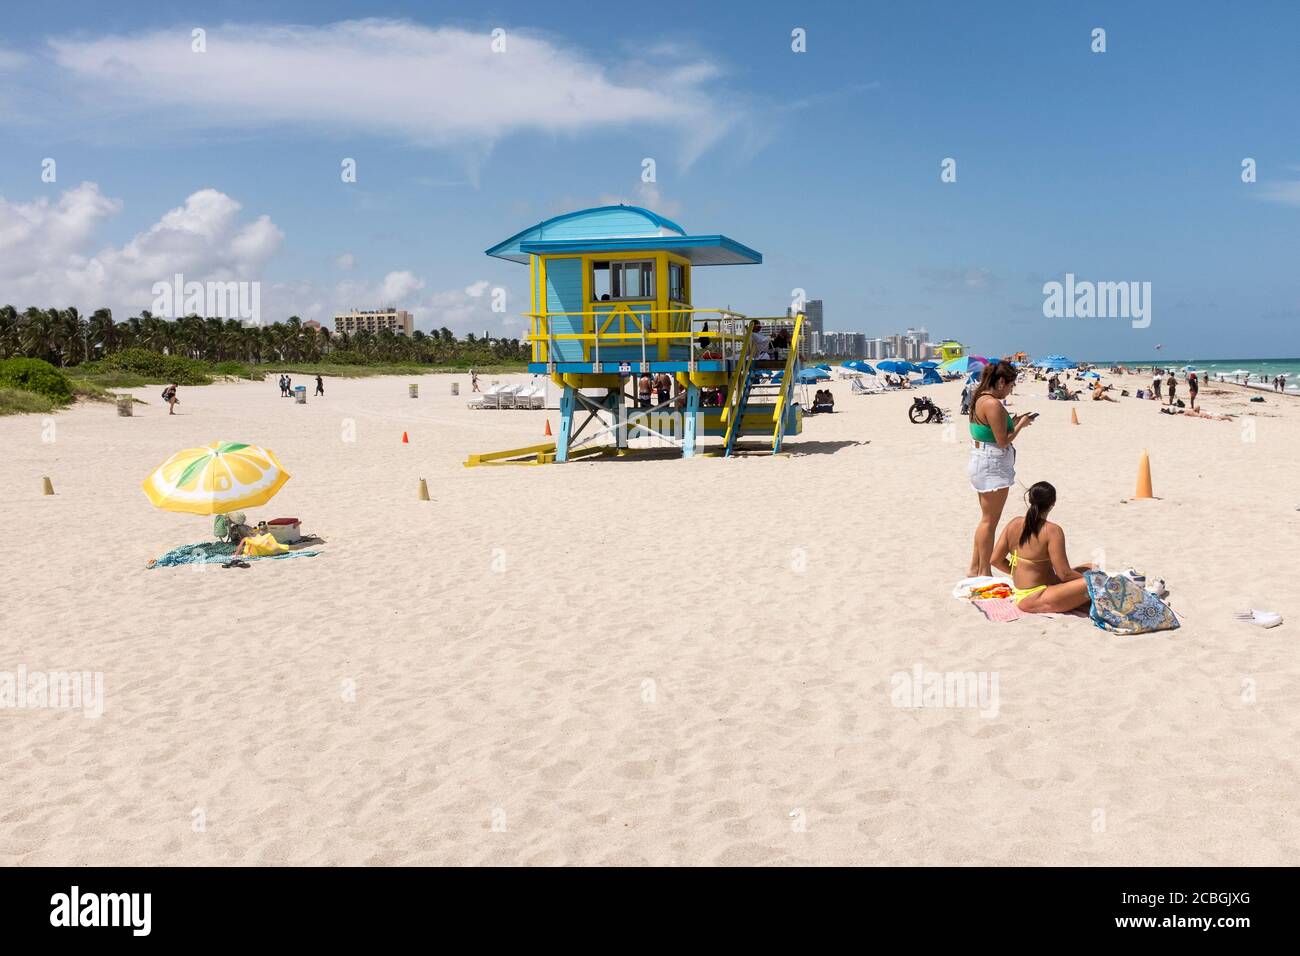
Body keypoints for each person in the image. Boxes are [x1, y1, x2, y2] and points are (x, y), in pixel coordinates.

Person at [967, 361, 1034, 576]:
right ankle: (983, 571)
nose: (1010, 390)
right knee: (989, 521)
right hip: (991, 463)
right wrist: (1021, 424)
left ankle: (975, 568)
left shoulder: (980, 398)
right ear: (1001, 381)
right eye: (1010, 386)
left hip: (982, 460)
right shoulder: (993, 404)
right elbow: (1003, 441)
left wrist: (1011, 422)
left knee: (986, 519)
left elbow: (991, 430)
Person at [991, 482, 1095, 613]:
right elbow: (1064, 574)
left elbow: (995, 560)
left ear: (1030, 500)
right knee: (1094, 582)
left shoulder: (1014, 523)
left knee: (1092, 567)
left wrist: (1020, 573)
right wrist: (1094, 580)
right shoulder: (1052, 530)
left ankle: (1077, 597)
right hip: (1035, 597)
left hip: (1024, 591)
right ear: (1053, 503)